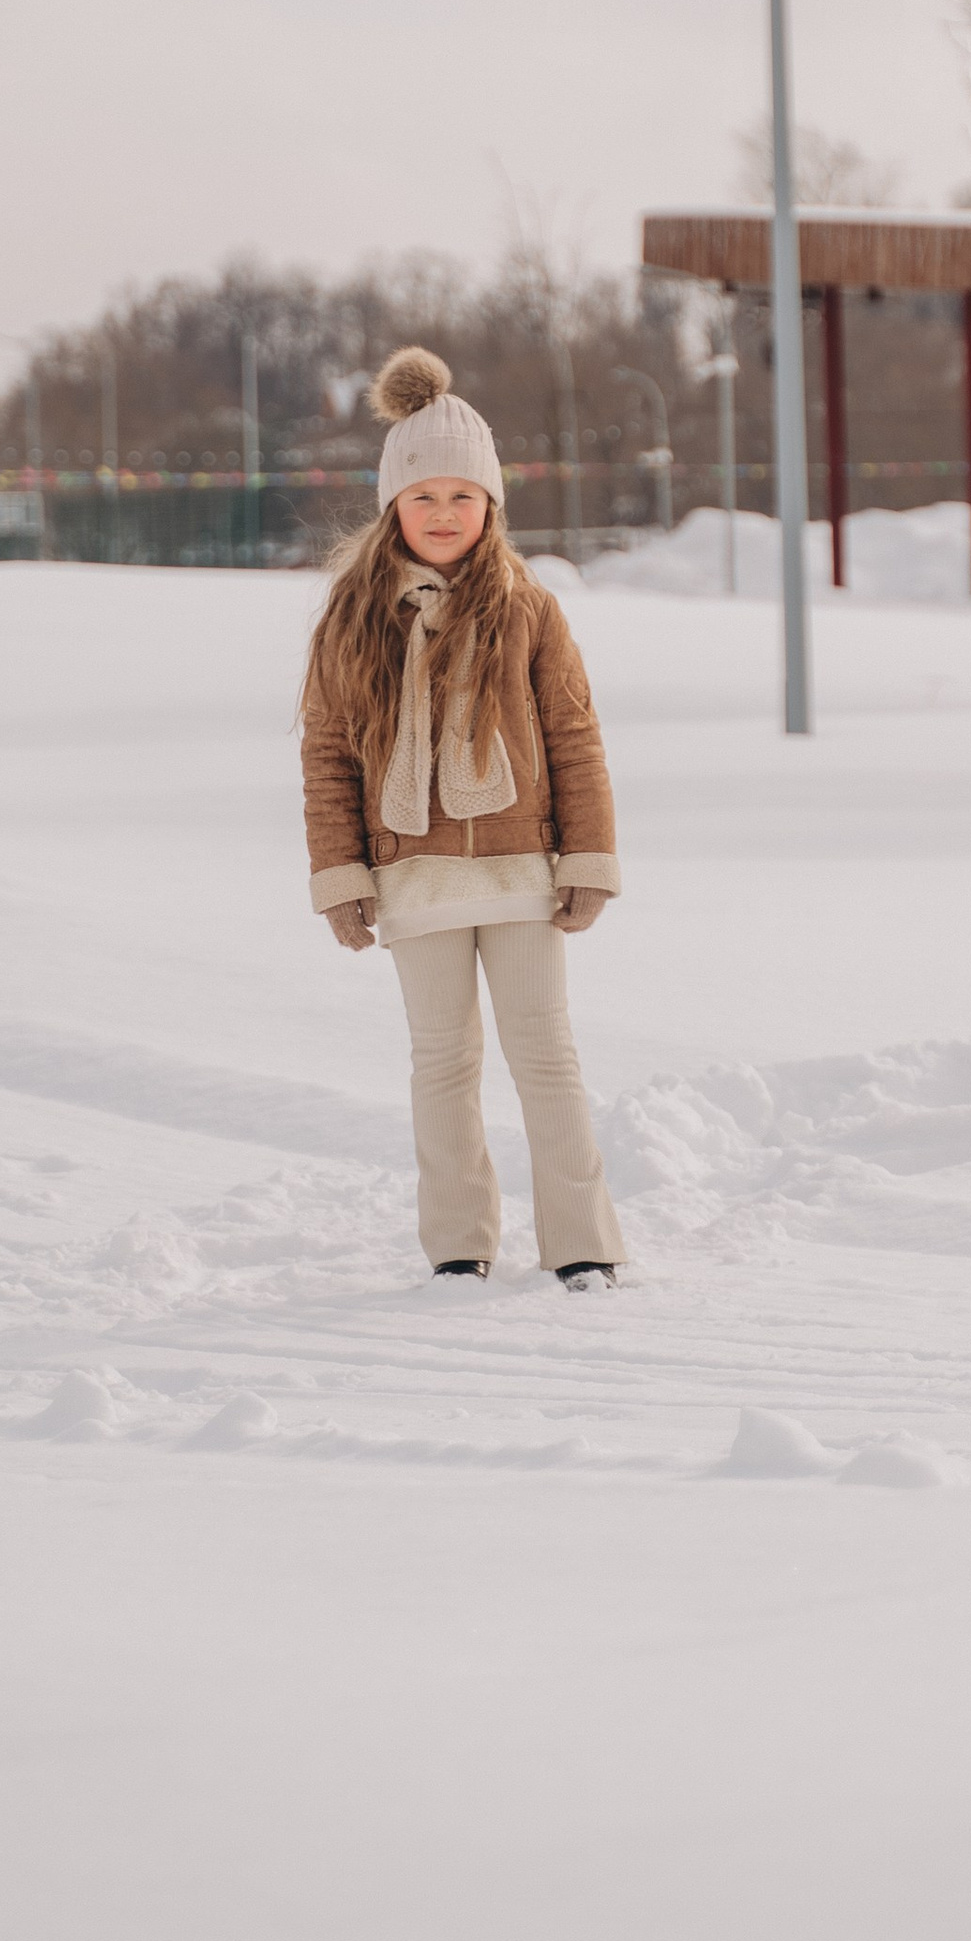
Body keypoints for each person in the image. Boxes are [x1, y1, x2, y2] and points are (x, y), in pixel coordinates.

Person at [300, 347, 627, 1286]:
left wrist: (589, 861)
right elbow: (327, 759)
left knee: (545, 1057)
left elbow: (575, 738)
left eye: (463, 498)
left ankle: (584, 1244)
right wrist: (341, 879)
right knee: (441, 1064)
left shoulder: (530, 609)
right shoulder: (353, 620)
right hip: (412, 874)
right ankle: (458, 1245)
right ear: (392, 506)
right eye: (423, 498)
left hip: (523, 874)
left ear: (491, 506)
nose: (444, 516)